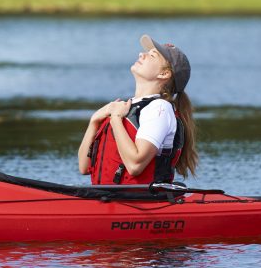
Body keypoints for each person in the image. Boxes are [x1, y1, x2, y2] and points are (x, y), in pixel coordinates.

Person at [77, 35, 198, 185]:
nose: (142, 54)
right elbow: (84, 167)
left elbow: (135, 165)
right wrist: (94, 121)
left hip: (140, 202)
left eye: (152, 55)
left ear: (164, 74)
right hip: (108, 198)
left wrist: (115, 119)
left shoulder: (160, 108)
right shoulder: (126, 108)